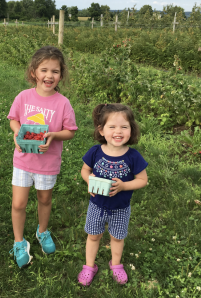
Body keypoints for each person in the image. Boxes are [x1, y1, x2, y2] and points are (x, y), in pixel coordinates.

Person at [7, 46, 78, 268]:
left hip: (47, 163)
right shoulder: (23, 97)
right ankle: (19, 241)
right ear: (34, 73)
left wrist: (54, 135)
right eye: (44, 70)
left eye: (55, 71)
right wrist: (17, 135)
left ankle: (42, 231)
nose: (49, 76)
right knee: (18, 203)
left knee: (44, 199)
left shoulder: (63, 103)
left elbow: (71, 131)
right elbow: (13, 120)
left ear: (61, 74)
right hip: (23, 160)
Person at [78, 103, 148, 286]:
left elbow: (142, 180)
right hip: (96, 204)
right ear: (101, 130)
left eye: (124, 127)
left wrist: (124, 186)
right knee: (93, 235)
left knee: (117, 237)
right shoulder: (95, 152)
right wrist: (89, 180)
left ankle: (116, 264)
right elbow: (84, 170)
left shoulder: (133, 156)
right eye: (112, 127)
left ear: (131, 130)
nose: (118, 131)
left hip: (121, 208)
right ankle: (89, 266)